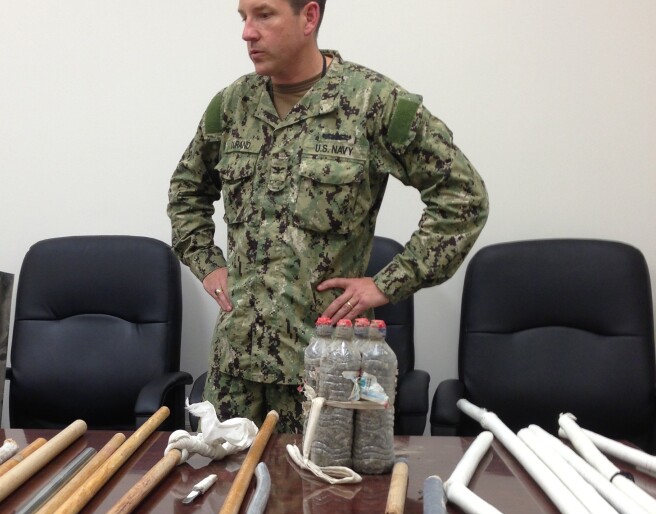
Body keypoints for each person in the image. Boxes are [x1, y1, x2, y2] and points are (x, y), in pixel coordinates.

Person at [167, 0, 488, 433]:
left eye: (264, 14)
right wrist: (207, 264)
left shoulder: (373, 103)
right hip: (235, 370)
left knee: (324, 496)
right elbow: (187, 189)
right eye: (243, 17)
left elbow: (463, 197)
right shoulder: (231, 107)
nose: (248, 32)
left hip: (323, 371)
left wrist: (387, 283)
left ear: (309, 17)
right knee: (228, 496)